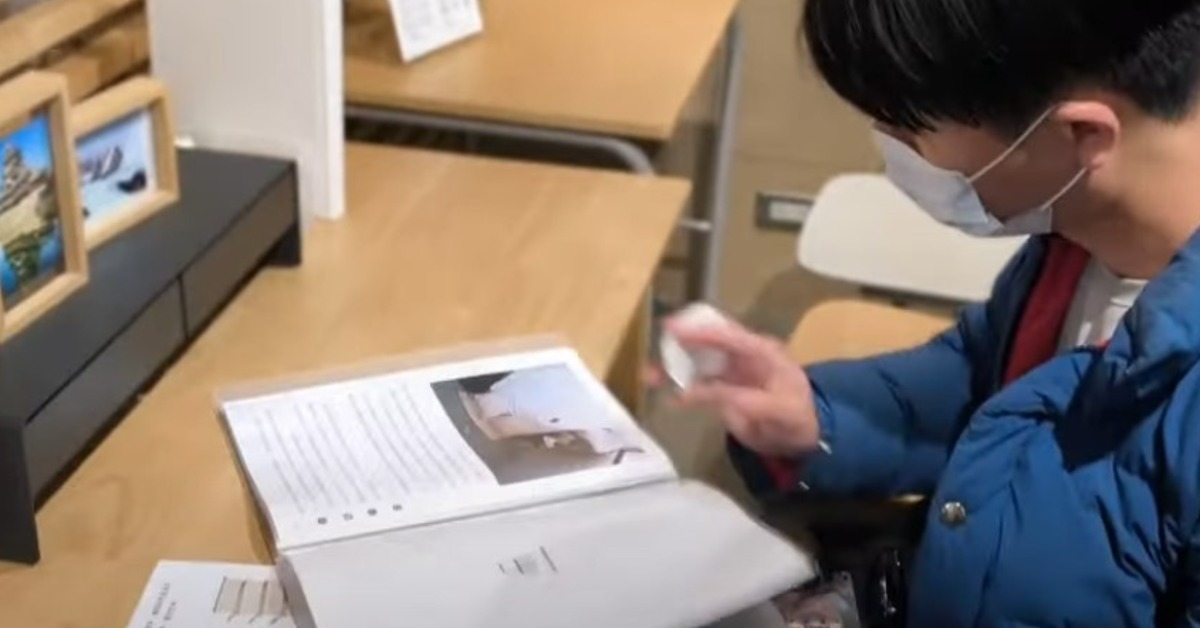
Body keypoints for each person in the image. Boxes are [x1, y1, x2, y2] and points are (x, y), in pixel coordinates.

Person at [656, 0, 1200, 625]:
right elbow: (984, 381)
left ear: (1081, 136)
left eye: (911, 129)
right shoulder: (1078, 242)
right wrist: (817, 418)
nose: (891, 148)